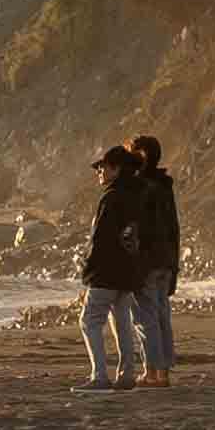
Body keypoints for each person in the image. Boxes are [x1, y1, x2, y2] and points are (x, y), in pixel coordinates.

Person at [76, 143, 148, 391]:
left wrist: (88, 270)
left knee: (89, 320)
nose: (99, 172)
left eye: (102, 167)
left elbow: (101, 239)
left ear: (115, 169)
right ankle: (127, 374)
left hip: (107, 272)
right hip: (128, 270)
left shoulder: (111, 197)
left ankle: (99, 376)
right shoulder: (137, 195)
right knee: (121, 322)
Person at [125, 134, 188, 387]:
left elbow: (136, 228)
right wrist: (175, 266)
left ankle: (152, 372)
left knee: (144, 317)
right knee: (161, 316)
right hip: (165, 260)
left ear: (139, 155)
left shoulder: (140, 188)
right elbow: (174, 227)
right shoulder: (164, 185)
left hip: (147, 261)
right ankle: (163, 372)